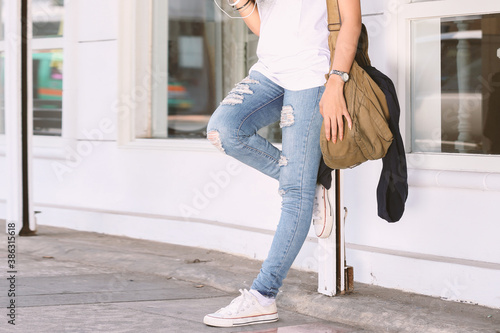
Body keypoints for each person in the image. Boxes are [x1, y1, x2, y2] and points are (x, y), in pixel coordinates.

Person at [204, 0, 361, 327]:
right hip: (269, 71)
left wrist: (336, 81)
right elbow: (268, 29)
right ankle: (307, 186)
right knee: (224, 130)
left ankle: (263, 296)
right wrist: (244, 3)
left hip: (312, 75)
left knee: (294, 194)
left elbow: (351, 21)